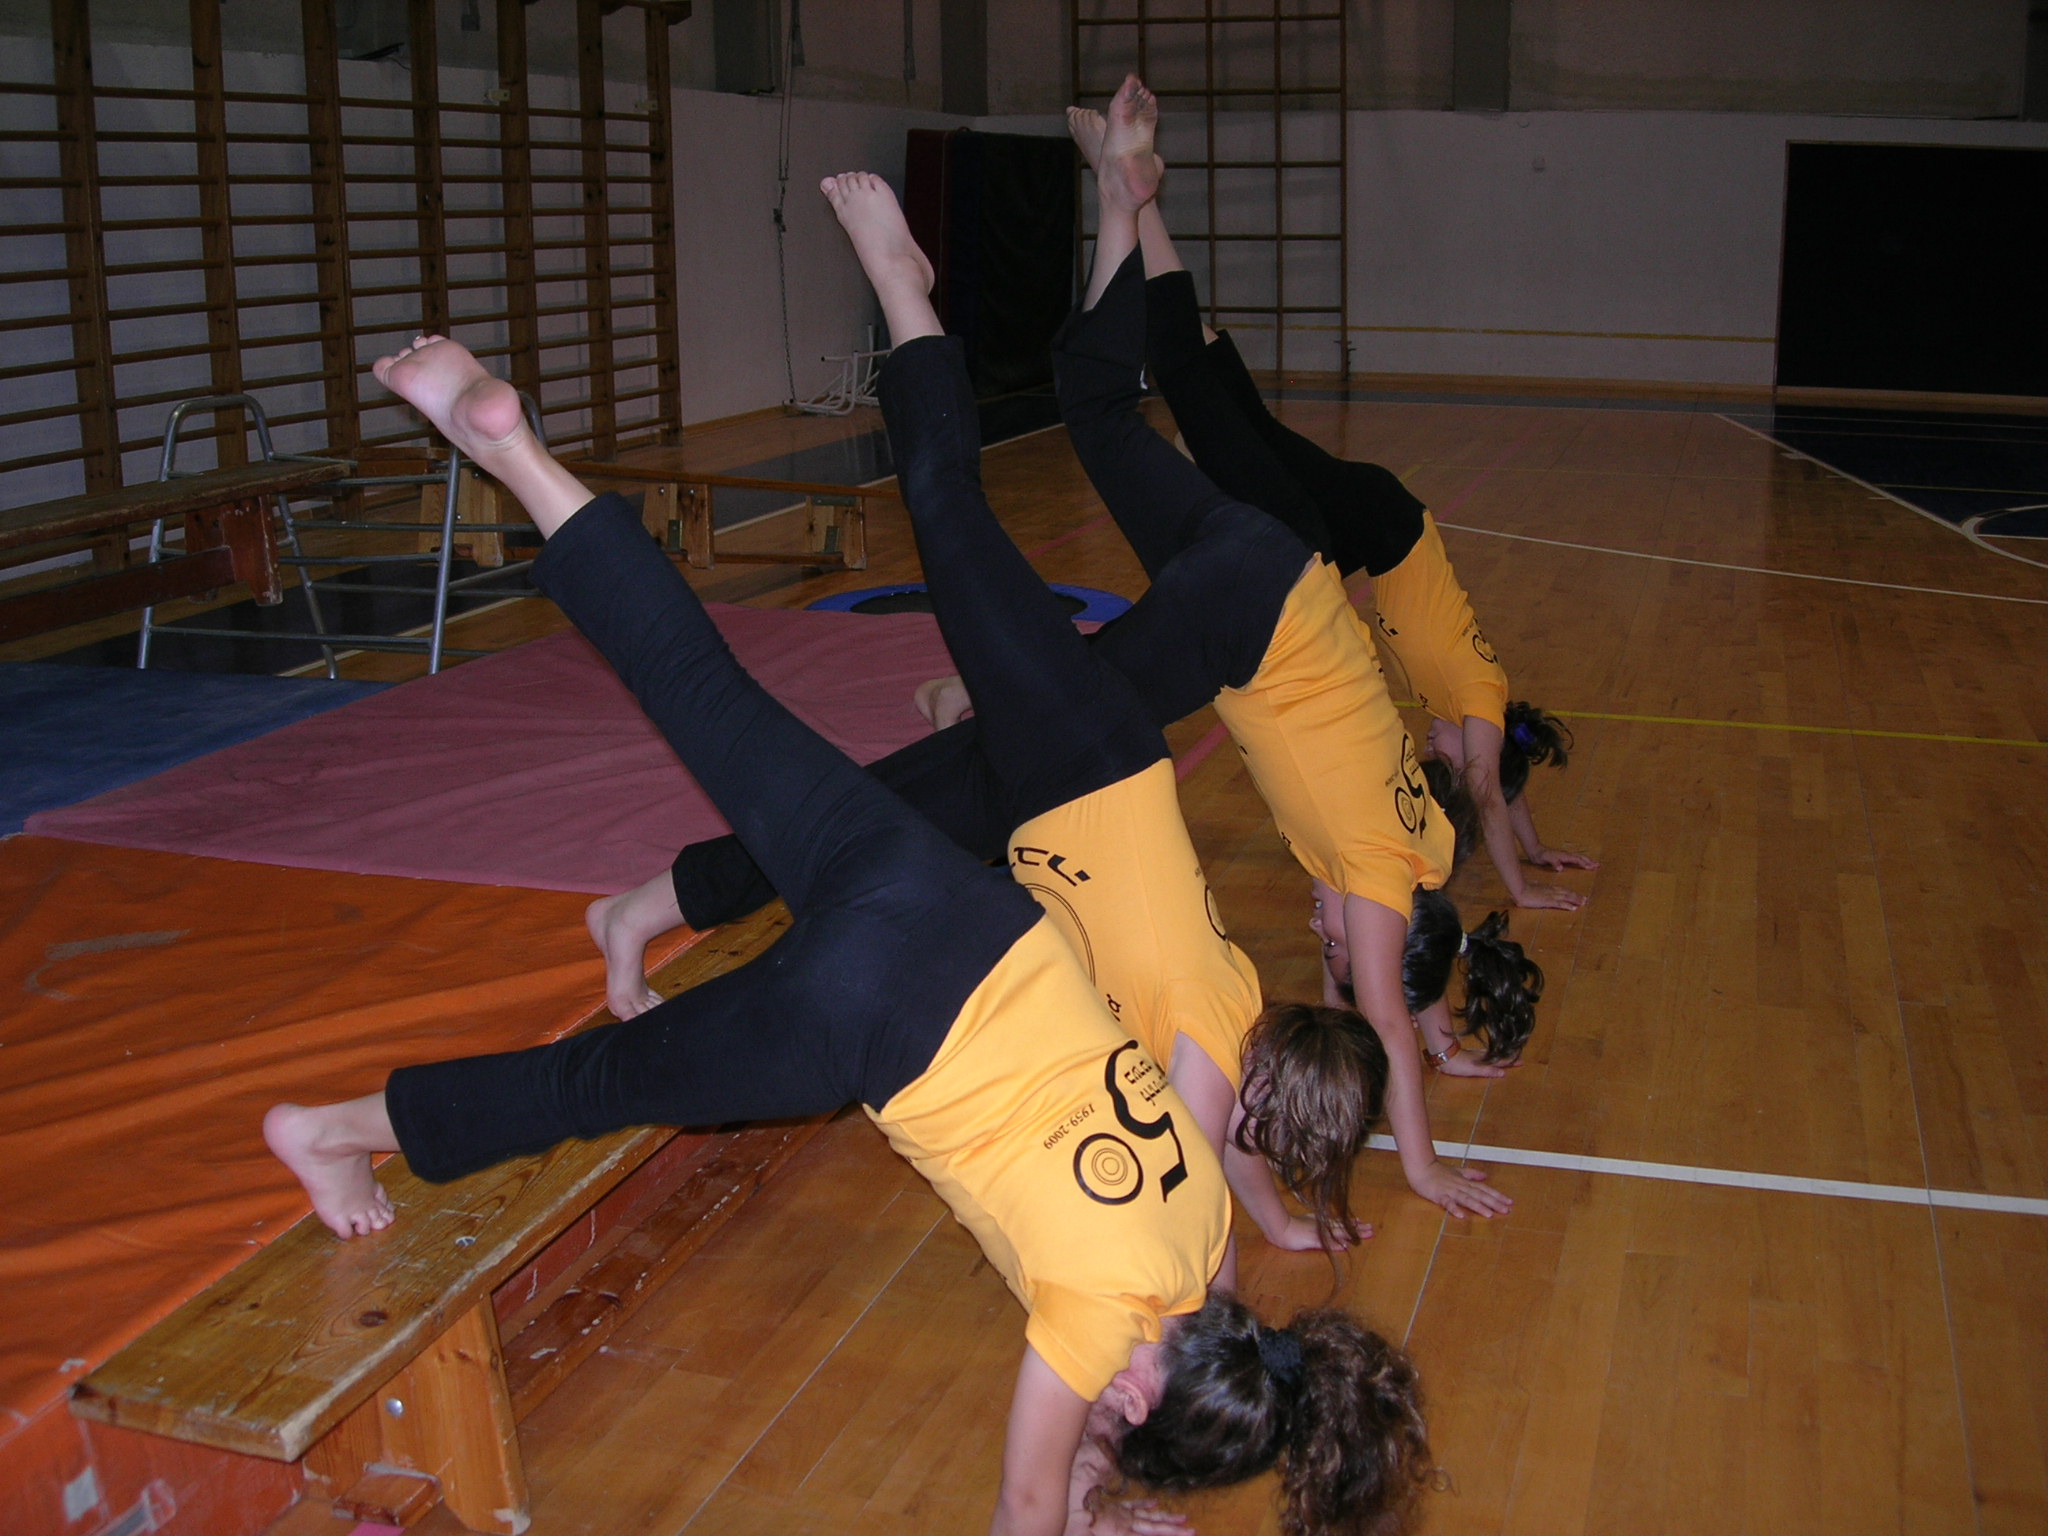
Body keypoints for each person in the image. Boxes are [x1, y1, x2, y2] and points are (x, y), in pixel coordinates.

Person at [259, 175, 1430, 1536]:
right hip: (869, 1015)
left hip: (956, 911)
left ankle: (513, 446)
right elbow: (1023, 1505)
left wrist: (1108, 1492)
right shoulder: (1089, 1330)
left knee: (708, 692)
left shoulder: (1198, 1238)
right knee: (595, 1080)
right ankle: (329, 1131)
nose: (1102, 1407)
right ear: (1129, 1400)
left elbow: (1136, 1374)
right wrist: (1086, 1510)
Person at [598, 191, 1390, 1263]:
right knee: (943, 498)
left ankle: (643, 906)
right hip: (1080, 750)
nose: (1245, 1144)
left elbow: (1225, 1157)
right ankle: (901, 285)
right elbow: (1192, 1215)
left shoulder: (1231, 1040)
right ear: (1257, 1086)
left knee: (846, 822)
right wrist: (1241, 1268)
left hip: (1037, 802)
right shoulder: (1211, 1051)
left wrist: (1284, 1223)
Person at [1052, 78, 1540, 1218]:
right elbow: (1384, 1009)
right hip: (1250, 615)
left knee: (1142, 404)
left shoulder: (1423, 854)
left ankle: (1124, 202)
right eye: (1343, 946)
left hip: (1290, 574)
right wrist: (1418, 1162)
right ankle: (1122, 204)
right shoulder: (1370, 886)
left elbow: (1405, 968)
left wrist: (1440, 1025)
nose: (1321, 935)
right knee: (1066, 704)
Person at [1060, 106, 1596, 915]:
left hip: (1368, 532)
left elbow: (1502, 790)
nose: (1434, 748)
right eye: (1450, 757)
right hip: (1375, 527)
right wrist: (1523, 889)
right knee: (1203, 398)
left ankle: (1142, 213)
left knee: (1228, 402)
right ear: (1484, 746)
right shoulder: (1479, 703)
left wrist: (1536, 842)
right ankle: (1131, 204)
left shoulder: (1474, 712)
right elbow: (1488, 791)